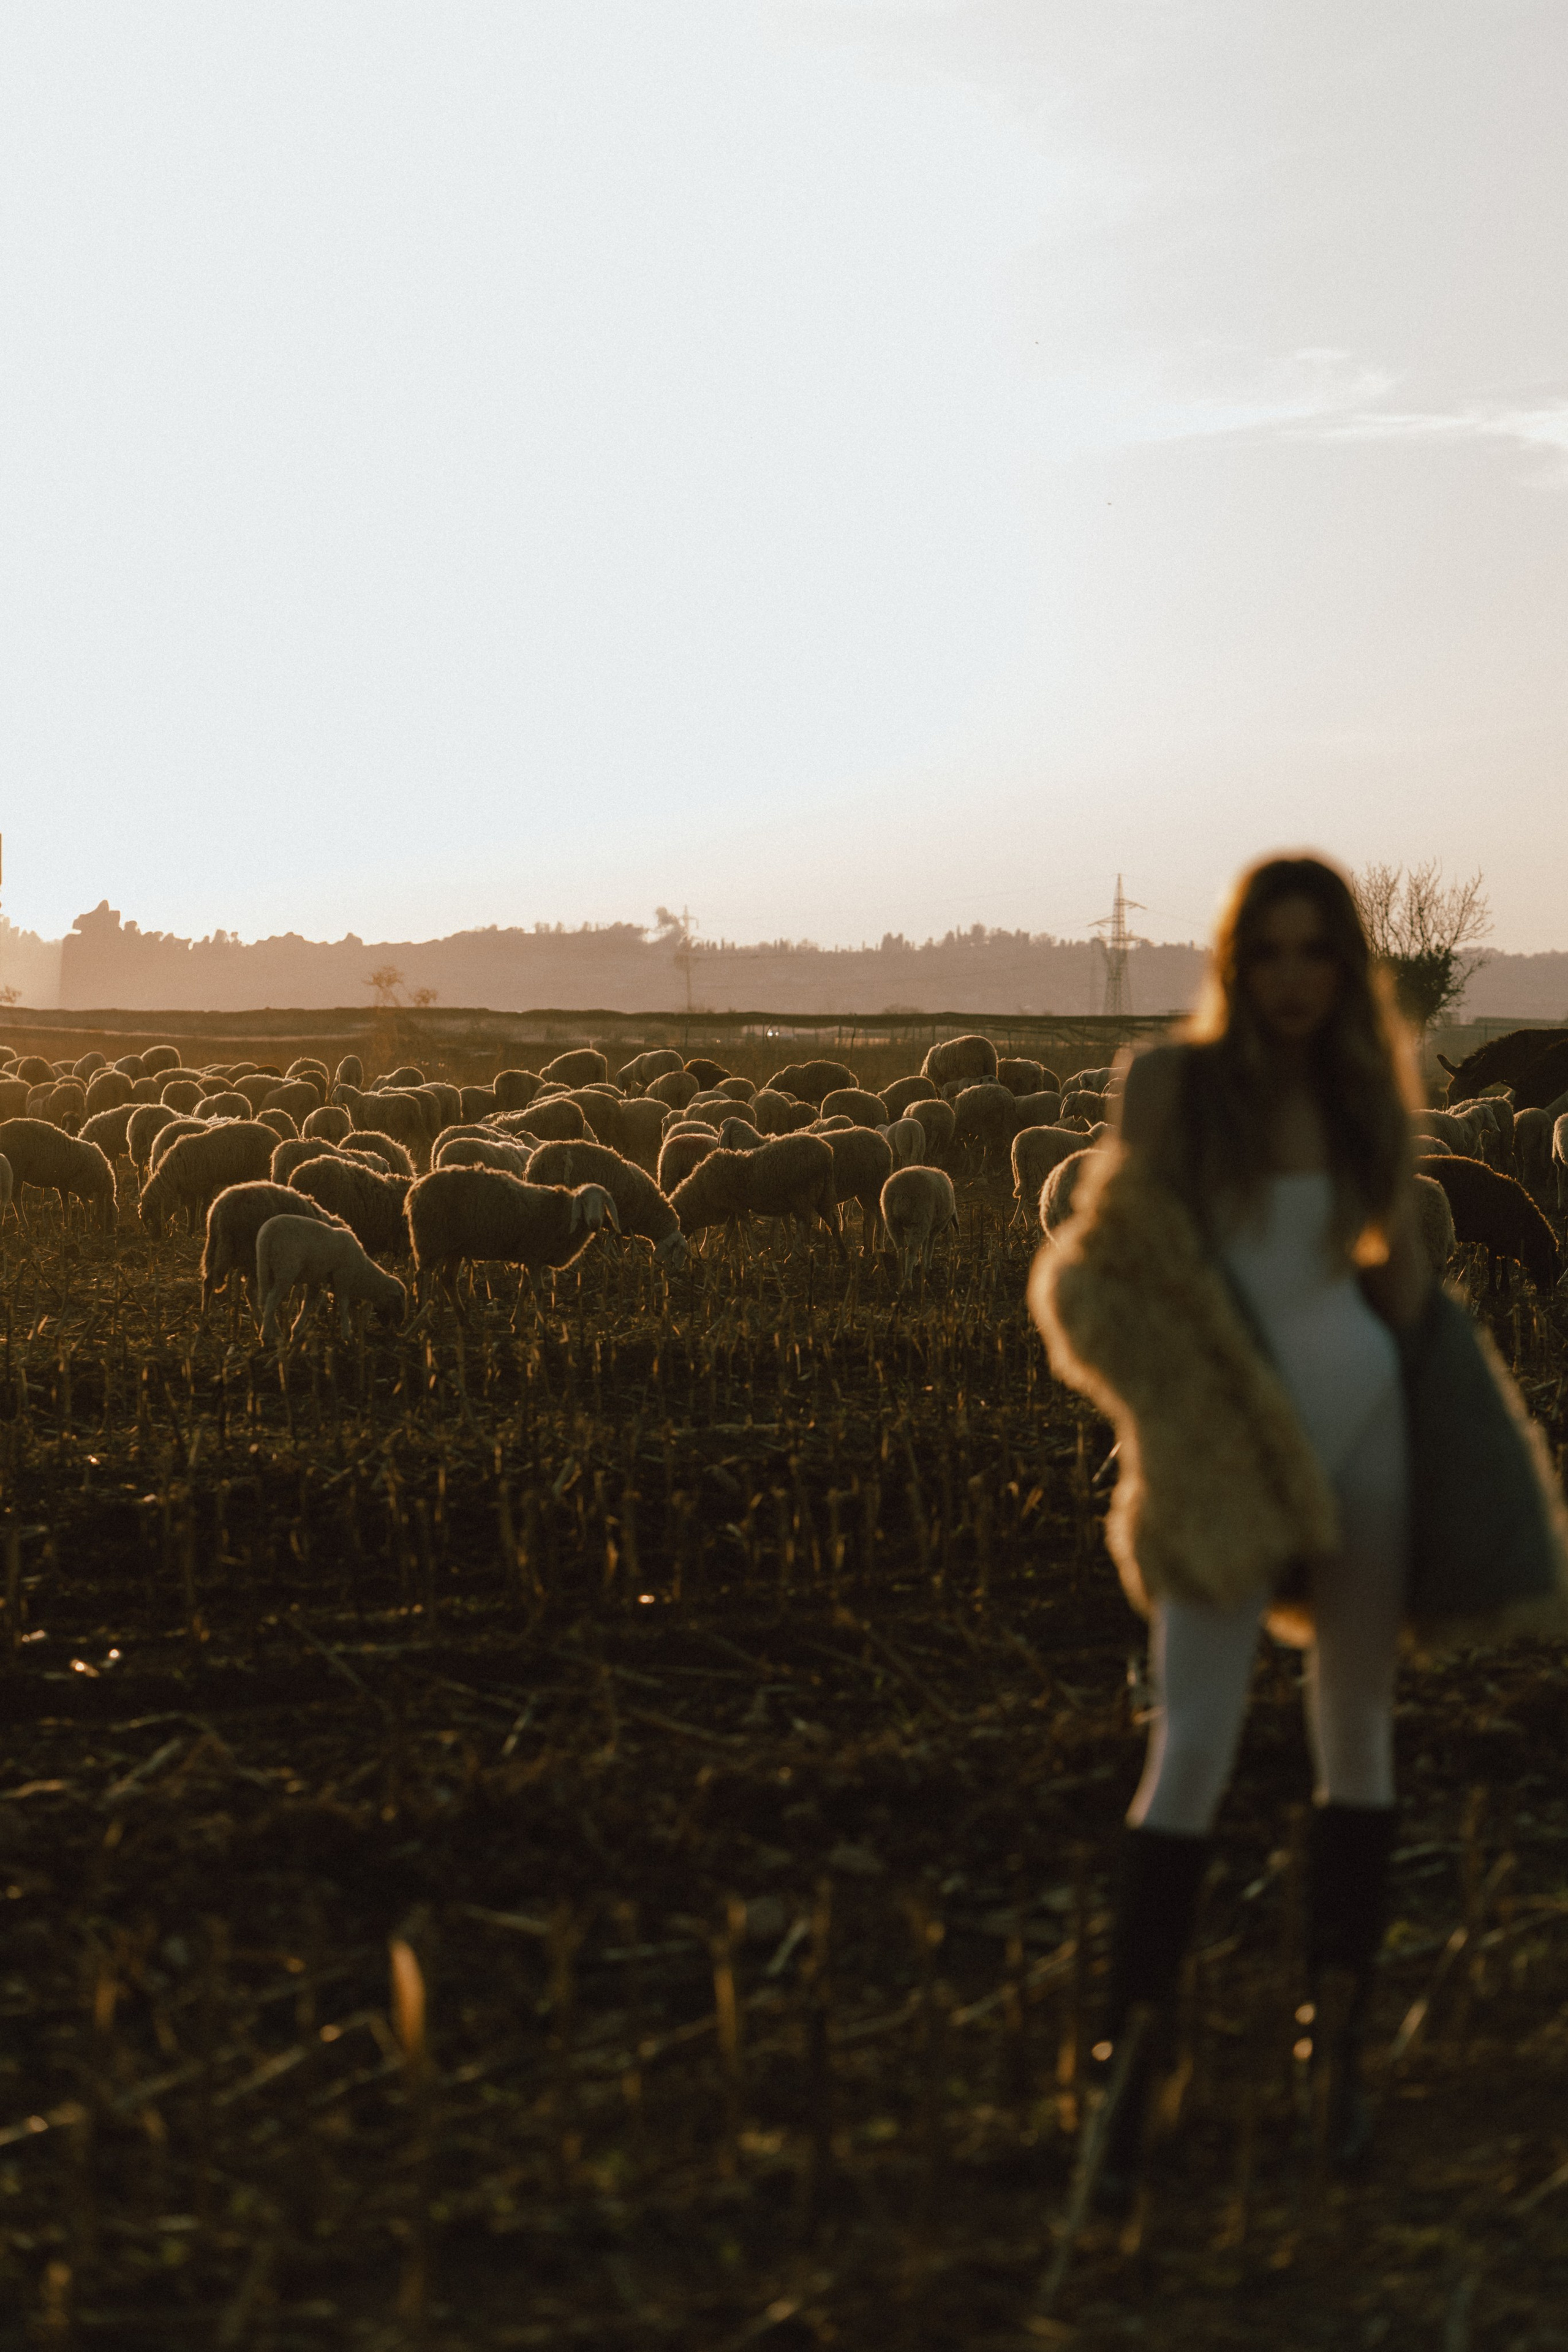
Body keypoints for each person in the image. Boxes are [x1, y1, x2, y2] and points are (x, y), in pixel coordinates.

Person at [1032, 853, 1432, 2195]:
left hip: (1362, 1448)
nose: (1295, 977)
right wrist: (1172, 1411)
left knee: (1356, 1738)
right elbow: (1101, 1273)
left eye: (1320, 952)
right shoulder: (1168, 1086)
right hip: (1215, 1460)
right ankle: (1132, 2057)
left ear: (1346, 965)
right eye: (1270, 951)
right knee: (1189, 1742)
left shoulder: (1368, 1091)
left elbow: (1396, 1289)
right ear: (1231, 961)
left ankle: (1337, 2052)